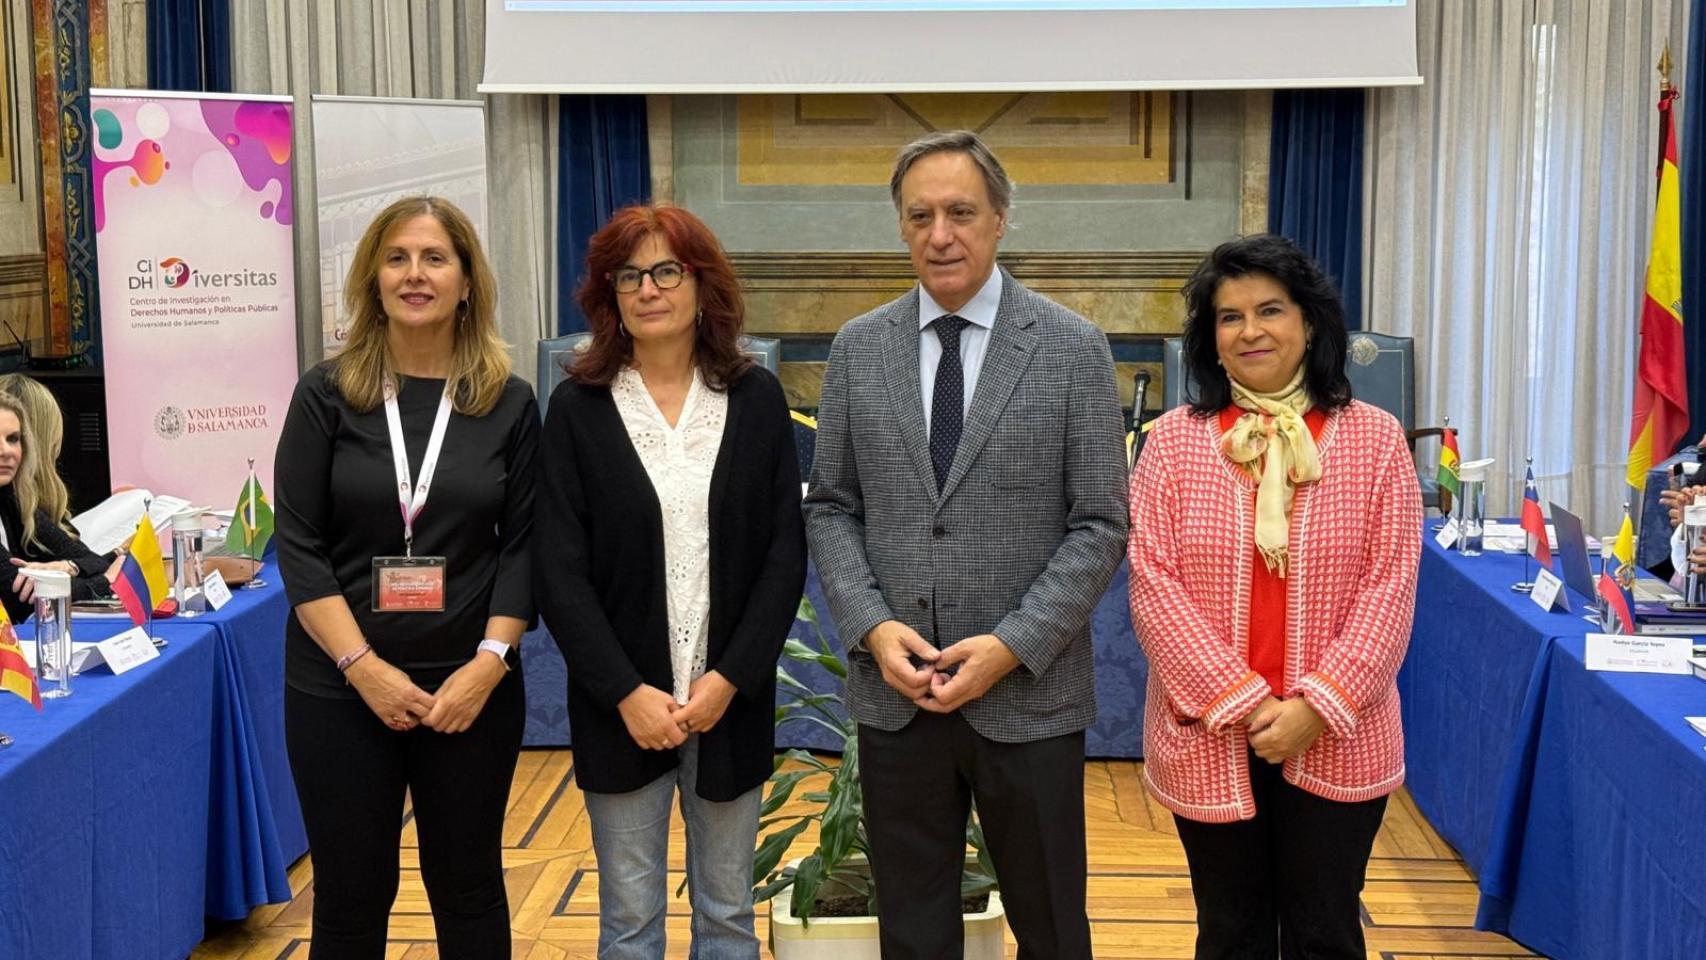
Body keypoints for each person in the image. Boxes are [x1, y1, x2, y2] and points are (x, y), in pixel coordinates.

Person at [803, 130, 1129, 959]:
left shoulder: (1072, 347)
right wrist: (874, 631)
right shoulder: (857, 348)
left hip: (1029, 697)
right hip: (897, 697)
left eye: (959, 212)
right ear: (901, 228)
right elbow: (832, 507)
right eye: (920, 215)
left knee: (1053, 927)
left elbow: (1101, 522)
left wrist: (1012, 647)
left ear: (1000, 219)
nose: (939, 233)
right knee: (912, 931)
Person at [1128, 234, 1422, 960]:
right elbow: (1153, 583)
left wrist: (1315, 706)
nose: (1250, 330)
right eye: (1229, 317)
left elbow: (1390, 587)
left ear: (1311, 324)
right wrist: (1246, 703)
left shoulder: (1376, 440)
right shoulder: (1171, 443)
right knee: (1229, 932)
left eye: (1270, 310)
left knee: (1324, 930)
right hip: (1211, 731)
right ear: (1211, 340)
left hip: (1338, 731)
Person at [533, 203, 805, 959]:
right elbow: (559, 572)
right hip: (620, 707)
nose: (648, 289)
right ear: (610, 294)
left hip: (731, 706)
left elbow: (785, 553)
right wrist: (625, 691)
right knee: (628, 925)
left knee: (726, 919)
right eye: (629, 275)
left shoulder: (755, 399)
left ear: (700, 284)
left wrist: (731, 679)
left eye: (666, 271)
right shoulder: (578, 409)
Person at [275, 195, 537, 959]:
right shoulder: (326, 394)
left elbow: (524, 547)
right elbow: (297, 544)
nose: (414, 274)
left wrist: (488, 667)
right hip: (339, 688)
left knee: (469, 890)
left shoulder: (508, 402)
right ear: (372, 278)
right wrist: (364, 670)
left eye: (434, 258)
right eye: (397, 257)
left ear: (466, 282)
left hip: (470, 689)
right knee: (352, 897)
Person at [0, 389, 119, 622]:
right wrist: (107, 581)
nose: (5, 452)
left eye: (13, 439)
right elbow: (23, 604)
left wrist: (66, 567)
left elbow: (91, 559)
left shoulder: (13, 497)